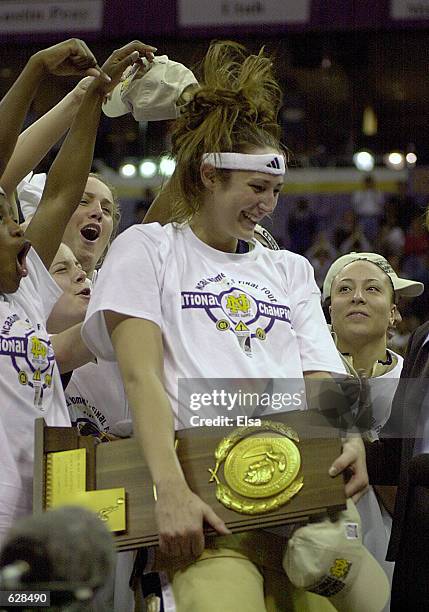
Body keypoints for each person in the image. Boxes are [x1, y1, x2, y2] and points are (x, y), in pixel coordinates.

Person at [82, 41, 368, 612]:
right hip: (206, 500)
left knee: (374, 598)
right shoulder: (148, 249)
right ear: (210, 175)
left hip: (304, 496)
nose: (268, 205)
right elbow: (141, 381)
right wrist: (170, 492)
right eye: (257, 188)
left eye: (276, 192)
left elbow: (320, 373)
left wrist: (352, 432)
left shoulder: (287, 268)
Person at [0, 38, 155, 545]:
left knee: (39, 601)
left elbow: (62, 194)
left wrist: (95, 95)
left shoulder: (25, 295)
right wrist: (32, 73)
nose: (20, 231)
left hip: (53, 512)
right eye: (6, 223)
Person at [322, 251, 423, 608]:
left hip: (397, 571)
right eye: (345, 289)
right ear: (328, 310)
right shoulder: (302, 380)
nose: (358, 297)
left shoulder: (415, 381)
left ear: (394, 311)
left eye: (373, 289)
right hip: (316, 569)